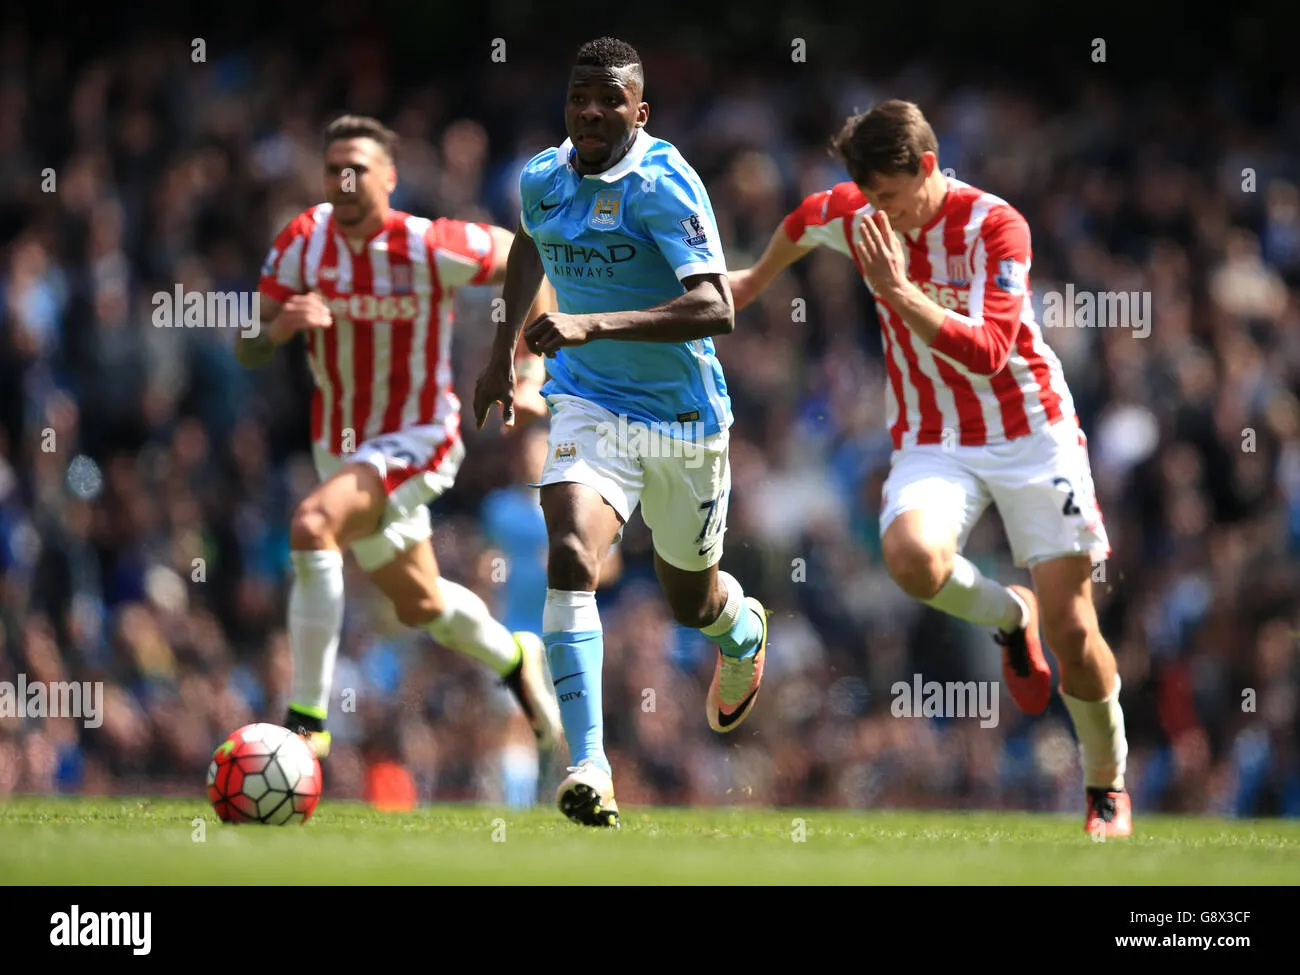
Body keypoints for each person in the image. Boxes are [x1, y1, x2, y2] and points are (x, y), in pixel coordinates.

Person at [727, 100, 1131, 838]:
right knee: (911, 559)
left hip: (1031, 432)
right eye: (869, 199)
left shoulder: (997, 226)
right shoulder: (863, 212)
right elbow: (806, 218)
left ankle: (1106, 787)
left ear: (925, 167)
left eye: (889, 195)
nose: (881, 215)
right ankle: (1010, 617)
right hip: (934, 436)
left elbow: (988, 350)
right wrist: (754, 279)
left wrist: (899, 292)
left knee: (1075, 631)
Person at [472, 37, 770, 828]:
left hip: (682, 421)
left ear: (640, 111)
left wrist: (593, 321)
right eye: (579, 98)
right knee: (571, 549)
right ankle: (589, 765)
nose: (591, 112)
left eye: (609, 99)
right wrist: (500, 353)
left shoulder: (665, 185)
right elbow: (529, 243)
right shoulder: (542, 176)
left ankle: (742, 632)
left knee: (692, 601)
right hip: (587, 404)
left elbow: (718, 308)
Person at [236, 113, 562, 772]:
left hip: (419, 435)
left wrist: (530, 371)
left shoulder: (428, 244)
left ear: (390, 175)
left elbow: (527, 258)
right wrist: (273, 332)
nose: (345, 181)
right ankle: (515, 657)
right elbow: (247, 343)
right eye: (334, 170)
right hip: (342, 447)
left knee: (310, 524)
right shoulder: (303, 241)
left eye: (359, 168)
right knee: (421, 602)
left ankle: (307, 725)